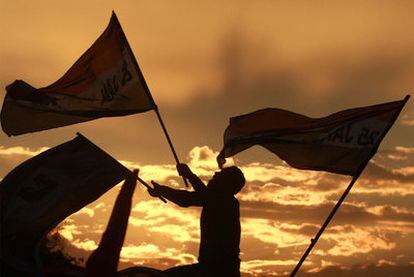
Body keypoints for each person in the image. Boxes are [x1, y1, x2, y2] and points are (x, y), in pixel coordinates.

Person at [148, 164, 245, 277]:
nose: (215, 173)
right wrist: (187, 176)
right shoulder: (221, 201)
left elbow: (194, 198)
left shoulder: (227, 203)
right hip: (214, 268)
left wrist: (188, 176)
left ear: (226, 183)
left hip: (217, 270)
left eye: (221, 174)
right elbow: (198, 196)